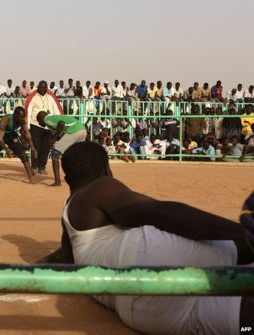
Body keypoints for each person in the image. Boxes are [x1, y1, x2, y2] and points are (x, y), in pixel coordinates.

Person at [44, 141, 254, 334]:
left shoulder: (69, 213)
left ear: (68, 179)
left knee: (243, 320)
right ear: (106, 170)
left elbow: (65, 255)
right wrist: (241, 229)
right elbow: (158, 213)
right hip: (147, 258)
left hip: (137, 312)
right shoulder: (100, 186)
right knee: (239, 247)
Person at [0, 106, 37, 183]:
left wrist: (32, 147)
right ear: (15, 115)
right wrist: (7, 150)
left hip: (11, 135)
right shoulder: (6, 119)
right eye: (21, 117)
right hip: (0, 136)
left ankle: (31, 178)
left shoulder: (22, 120)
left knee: (23, 154)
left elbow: (27, 133)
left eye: (23, 116)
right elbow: (0, 138)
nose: (22, 118)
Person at [36, 112, 87, 186]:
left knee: (55, 154)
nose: (39, 123)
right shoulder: (53, 119)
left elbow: (61, 123)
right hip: (82, 130)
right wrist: (54, 140)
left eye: (38, 121)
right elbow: (61, 133)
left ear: (41, 118)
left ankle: (57, 182)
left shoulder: (47, 120)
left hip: (73, 131)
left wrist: (54, 138)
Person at [25, 81, 60, 175]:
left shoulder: (51, 97)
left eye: (44, 88)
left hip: (49, 126)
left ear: (47, 88)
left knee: (46, 147)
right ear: (38, 87)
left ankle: (42, 167)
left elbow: (56, 110)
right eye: (41, 87)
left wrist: (57, 124)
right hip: (35, 124)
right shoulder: (33, 96)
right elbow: (28, 110)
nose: (42, 89)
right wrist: (27, 126)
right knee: (36, 146)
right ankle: (34, 166)